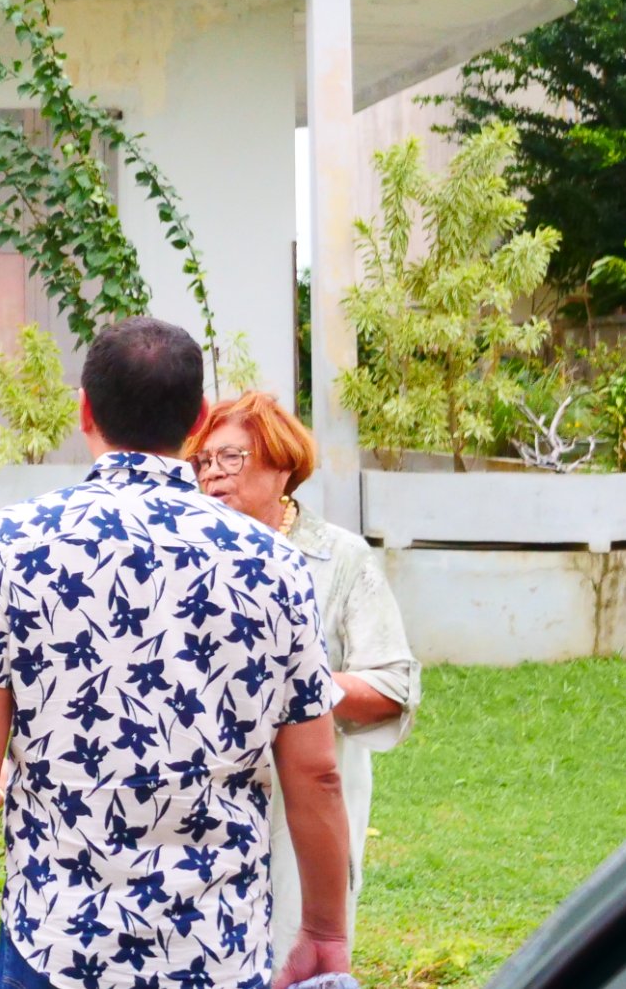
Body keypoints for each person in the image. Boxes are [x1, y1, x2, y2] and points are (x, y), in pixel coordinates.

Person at [0, 317, 350, 989]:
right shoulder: (275, 563)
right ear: (200, 419)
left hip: (57, 942)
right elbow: (317, 772)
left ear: (85, 411)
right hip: (216, 944)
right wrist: (325, 930)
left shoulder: (15, 543)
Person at [187, 390, 421, 969]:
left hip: (302, 817)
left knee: (295, 953)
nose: (212, 473)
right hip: (203, 813)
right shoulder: (187, 555)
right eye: (203, 461)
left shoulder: (340, 558)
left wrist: (298, 687)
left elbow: (393, 690)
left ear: (283, 466)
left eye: (230, 457)